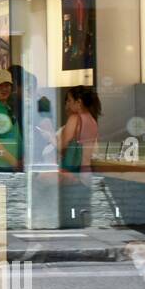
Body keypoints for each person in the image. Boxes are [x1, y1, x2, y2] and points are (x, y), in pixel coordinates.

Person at [57, 86, 101, 228]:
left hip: (72, 172)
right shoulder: (93, 121)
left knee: (39, 179)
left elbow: (61, 146)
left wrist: (47, 135)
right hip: (86, 174)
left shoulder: (75, 118)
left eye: (70, 100)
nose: (68, 104)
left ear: (79, 102)